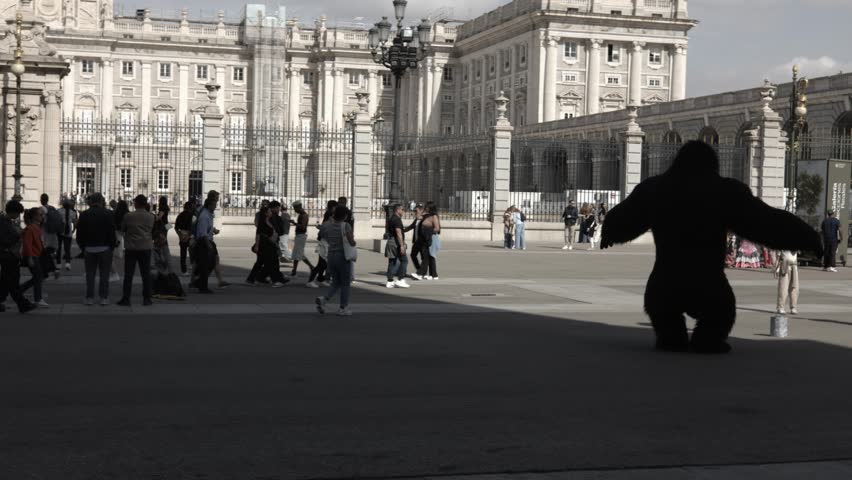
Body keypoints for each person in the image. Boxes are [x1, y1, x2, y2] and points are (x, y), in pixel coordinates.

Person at [601, 140, 822, 354]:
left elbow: (625, 214)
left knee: (665, 315)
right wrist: (808, 238)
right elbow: (767, 222)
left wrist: (609, 232)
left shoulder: (655, 188)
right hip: (707, 280)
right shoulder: (725, 191)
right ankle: (707, 341)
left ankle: (672, 339)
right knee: (720, 312)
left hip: (666, 280)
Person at [76, 193, 117, 306]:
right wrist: (112, 246)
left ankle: (89, 298)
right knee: (104, 274)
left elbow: (80, 233)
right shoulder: (108, 213)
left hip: (89, 248)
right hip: (104, 247)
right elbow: (111, 231)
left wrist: (82, 246)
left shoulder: (84, 214)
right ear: (101, 201)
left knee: (90, 274)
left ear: (91, 201)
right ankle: (103, 297)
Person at [315, 205, 357, 316]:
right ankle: (343, 307)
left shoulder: (327, 226)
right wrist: (353, 242)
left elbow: (323, 236)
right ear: (344, 215)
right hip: (342, 256)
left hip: (331, 255)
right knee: (345, 283)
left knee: (336, 282)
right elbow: (351, 242)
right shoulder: (346, 226)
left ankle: (324, 299)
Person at [118, 195, 155, 306]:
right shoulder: (151, 216)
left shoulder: (128, 216)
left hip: (132, 248)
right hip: (145, 247)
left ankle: (126, 298)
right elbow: (152, 230)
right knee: (145, 274)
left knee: (129, 274)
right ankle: (147, 298)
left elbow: (122, 229)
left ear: (136, 203)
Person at [0, 200, 36, 313]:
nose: (18, 216)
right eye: (17, 213)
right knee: (13, 281)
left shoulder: (7, 222)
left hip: (10, 255)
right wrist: (18, 235)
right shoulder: (3, 223)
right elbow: (5, 240)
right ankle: (23, 304)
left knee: (5, 281)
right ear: (13, 212)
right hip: (8, 256)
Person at [20, 208, 48, 308]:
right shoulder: (30, 228)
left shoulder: (37, 227)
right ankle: (38, 299)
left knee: (38, 276)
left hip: (37, 255)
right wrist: (30, 257)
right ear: (35, 216)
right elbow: (27, 244)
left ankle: (19, 290)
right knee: (38, 276)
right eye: (40, 215)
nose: (42, 217)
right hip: (33, 256)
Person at [255, 205, 288, 288]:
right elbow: (258, 235)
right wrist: (257, 245)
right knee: (271, 264)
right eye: (269, 212)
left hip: (272, 245)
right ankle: (277, 280)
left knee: (273, 263)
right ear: (266, 213)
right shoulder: (262, 222)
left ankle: (261, 278)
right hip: (266, 245)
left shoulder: (269, 221)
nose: (271, 213)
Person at [306, 200, 337, 288]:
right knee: (321, 264)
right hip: (324, 245)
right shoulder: (328, 223)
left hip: (326, 244)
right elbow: (325, 233)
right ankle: (310, 281)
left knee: (324, 264)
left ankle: (320, 279)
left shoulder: (329, 222)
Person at [193, 196, 217, 294]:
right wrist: (209, 246)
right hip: (204, 243)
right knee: (205, 265)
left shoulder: (209, 215)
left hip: (208, 241)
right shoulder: (204, 216)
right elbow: (203, 234)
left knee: (210, 263)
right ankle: (202, 286)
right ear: (210, 205)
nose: (216, 207)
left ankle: (199, 282)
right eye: (214, 205)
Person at [385, 204, 411, 288]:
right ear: (398, 210)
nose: (403, 211)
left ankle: (389, 281)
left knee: (392, 262)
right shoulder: (397, 220)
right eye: (402, 209)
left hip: (391, 241)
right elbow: (398, 232)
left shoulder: (392, 218)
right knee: (404, 260)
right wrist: (402, 245)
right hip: (396, 242)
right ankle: (400, 279)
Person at [415, 202, 441, 280]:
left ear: (430, 208)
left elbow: (437, 228)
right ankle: (434, 275)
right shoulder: (426, 216)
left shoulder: (434, 216)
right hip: (426, 238)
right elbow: (418, 217)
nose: (426, 208)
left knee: (430, 256)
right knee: (430, 256)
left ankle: (421, 273)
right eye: (425, 206)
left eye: (427, 207)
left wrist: (428, 232)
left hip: (432, 238)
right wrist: (421, 210)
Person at [289, 201, 315, 278]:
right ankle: (295, 271)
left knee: (298, 254)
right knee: (298, 254)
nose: (294, 210)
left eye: (295, 208)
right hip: (299, 236)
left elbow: (303, 227)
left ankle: (310, 267)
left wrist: (294, 223)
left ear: (298, 207)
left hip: (301, 236)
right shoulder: (302, 215)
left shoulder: (304, 215)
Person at [775, 250, 799, 315]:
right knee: (783, 288)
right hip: (785, 266)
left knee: (794, 288)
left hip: (794, 266)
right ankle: (780, 307)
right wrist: (776, 269)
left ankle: (793, 307)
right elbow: (778, 257)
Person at [110, 200, 129, 282]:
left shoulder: (115, 212)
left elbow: (113, 222)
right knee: (123, 240)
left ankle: (119, 252)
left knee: (118, 240)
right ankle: (123, 250)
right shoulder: (128, 213)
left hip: (118, 230)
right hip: (126, 230)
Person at [56, 199, 77, 271]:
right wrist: (74, 229)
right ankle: (68, 263)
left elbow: (57, 221)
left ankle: (58, 264)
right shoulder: (72, 212)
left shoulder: (58, 211)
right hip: (68, 232)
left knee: (58, 248)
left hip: (60, 231)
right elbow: (75, 222)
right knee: (67, 249)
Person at [174, 201, 194, 277]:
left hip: (182, 235)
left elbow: (176, 227)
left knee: (183, 254)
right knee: (193, 251)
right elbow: (194, 227)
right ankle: (192, 264)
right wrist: (189, 235)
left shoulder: (180, 215)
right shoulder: (193, 216)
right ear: (190, 207)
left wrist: (180, 235)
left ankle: (184, 270)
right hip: (190, 235)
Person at [406, 203, 425, 275]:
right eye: (414, 211)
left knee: (424, 258)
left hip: (422, 242)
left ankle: (422, 272)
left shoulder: (424, 219)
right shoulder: (416, 219)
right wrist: (402, 230)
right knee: (413, 255)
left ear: (421, 211)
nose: (415, 212)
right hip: (416, 241)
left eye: (416, 211)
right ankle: (419, 269)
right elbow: (411, 226)